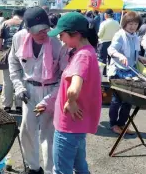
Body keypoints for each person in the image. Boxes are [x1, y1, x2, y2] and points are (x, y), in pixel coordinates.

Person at [8, 6, 69, 174]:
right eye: (38, 31)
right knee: (27, 130)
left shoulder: (58, 43)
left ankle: (51, 170)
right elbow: (12, 62)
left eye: (46, 29)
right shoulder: (18, 38)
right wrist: (18, 86)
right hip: (28, 90)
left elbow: (64, 76)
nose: (44, 34)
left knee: (49, 135)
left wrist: (49, 99)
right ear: (27, 30)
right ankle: (33, 167)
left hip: (51, 90)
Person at [42, 11, 102, 174]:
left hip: (68, 125)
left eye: (62, 35)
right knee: (80, 166)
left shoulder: (82, 56)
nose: (60, 38)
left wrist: (71, 101)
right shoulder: (88, 51)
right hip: (78, 125)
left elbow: (74, 88)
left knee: (61, 169)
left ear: (75, 34)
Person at [107, 11, 143, 134]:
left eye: (135, 24)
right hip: (118, 71)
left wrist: (142, 59)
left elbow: (134, 54)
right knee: (117, 100)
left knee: (128, 100)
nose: (133, 26)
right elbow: (111, 49)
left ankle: (122, 124)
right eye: (130, 23)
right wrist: (119, 56)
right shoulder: (120, 35)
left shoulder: (135, 37)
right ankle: (113, 124)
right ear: (125, 23)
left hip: (131, 72)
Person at [0, 7, 26, 114]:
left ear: (13, 14)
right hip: (23, 55)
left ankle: (7, 105)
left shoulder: (5, 23)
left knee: (7, 81)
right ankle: (19, 105)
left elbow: (0, 40)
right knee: (20, 80)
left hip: (7, 55)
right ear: (23, 14)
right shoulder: (25, 24)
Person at [98, 9, 120, 75]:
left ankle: (103, 73)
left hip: (104, 42)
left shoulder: (104, 23)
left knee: (102, 59)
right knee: (112, 59)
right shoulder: (117, 23)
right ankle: (111, 72)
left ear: (106, 15)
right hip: (113, 43)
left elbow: (100, 34)